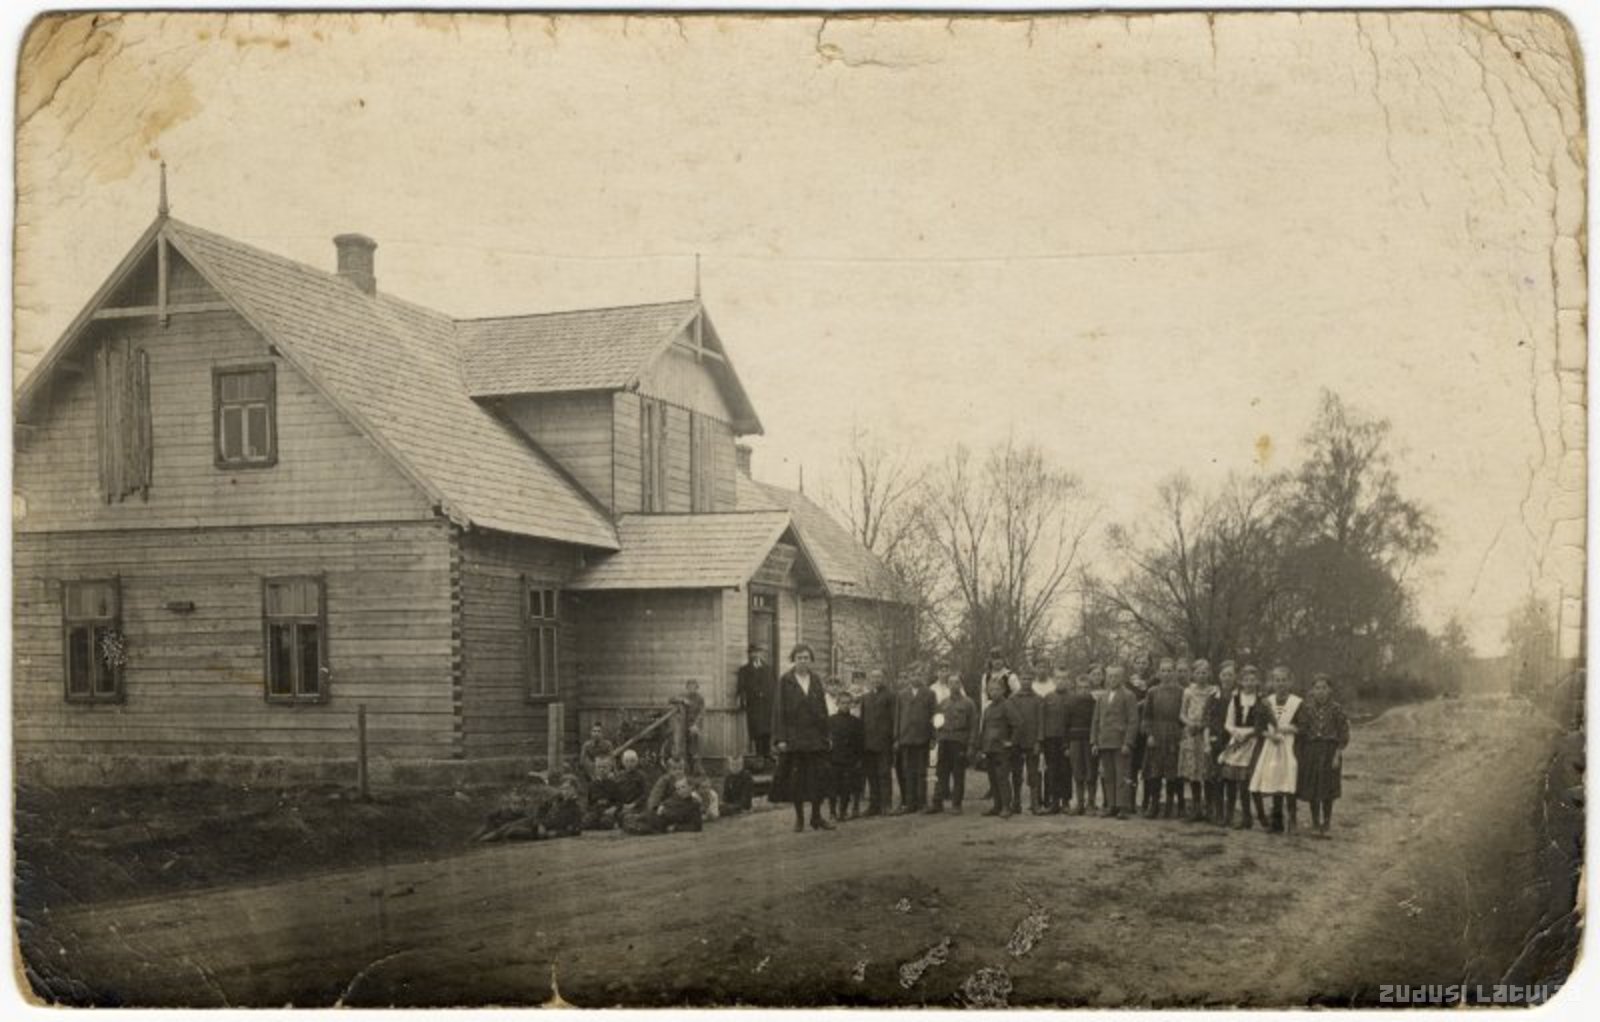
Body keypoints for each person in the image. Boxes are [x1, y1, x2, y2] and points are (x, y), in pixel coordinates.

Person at [772, 643, 834, 833]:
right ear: (794, 659)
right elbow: (779, 711)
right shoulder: (786, 681)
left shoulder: (815, 680)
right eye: (799, 658)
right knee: (797, 780)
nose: (803, 661)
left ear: (810, 660)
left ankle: (816, 817)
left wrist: (827, 735)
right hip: (795, 738)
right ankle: (799, 819)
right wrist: (780, 739)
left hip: (815, 738)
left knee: (818, 778)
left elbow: (822, 709)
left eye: (806, 658)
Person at [1296, 673, 1350, 839]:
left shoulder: (1337, 709)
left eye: (1324, 688)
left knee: (1328, 788)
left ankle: (1326, 823)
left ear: (1330, 690)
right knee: (1313, 787)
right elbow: (1302, 732)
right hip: (1311, 751)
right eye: (1317, 688)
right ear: (1312, 690)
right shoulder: (1306, 708)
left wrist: (1337, 754)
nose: (1320, 692)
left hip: (1329, 751)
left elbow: (1343, 734)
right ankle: (1315, 823)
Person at [1251, 665, 1303, 834]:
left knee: (1289, 778)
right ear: (1272, 682)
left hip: (1289, 744)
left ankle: (1292, 819)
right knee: (1275, 779)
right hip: (1271, 745)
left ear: (1290, 682)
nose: (1281, 684)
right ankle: (1277, 819)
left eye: (1284, 680)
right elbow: (1259, 727)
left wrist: (1286, 729)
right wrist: (1270, 735)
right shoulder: (1267, 702)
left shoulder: (1297, 703)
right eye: (1277, 680)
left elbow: (1302, 726)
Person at [1218, 665, 1267, 829]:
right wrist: (1235, 733)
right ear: (1241, 681)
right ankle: (1229, 815)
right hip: (1236, 741)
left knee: (1246, 782)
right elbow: (1228, 722)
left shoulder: (1261, 700)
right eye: (1246, 680)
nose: (1249, 683)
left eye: (1253, 680)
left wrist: (1249, 733)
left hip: (1252, 743)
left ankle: (1248, 817)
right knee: (1231, 781)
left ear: (1257, 681)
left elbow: (1262, 724)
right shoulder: (1235, 699)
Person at [1090, 663, 1140, 818]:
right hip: (1105, 742)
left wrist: (1128, 742)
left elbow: (1133, 721)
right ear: (1106, 677)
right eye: (1110, 676)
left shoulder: (1129, 695)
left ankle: (1122, 806)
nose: (1113, 679)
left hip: (1120, 742)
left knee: (1122, 775)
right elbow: (1096, 720)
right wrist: (1094, 741)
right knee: (1108, 775)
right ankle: (1111, 805)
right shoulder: (1102, 696)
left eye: (1116, 676)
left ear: (1122, 677)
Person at [1143, 659, 1187, 819]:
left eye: (1169, 670)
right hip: (1157, 734)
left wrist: (1183, 734)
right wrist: (1149, 734)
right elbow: (1146, 717)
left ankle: (1174, 805)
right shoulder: (1152, 692)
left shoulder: (1182, 691)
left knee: (1174, 772)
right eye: (1163, 670)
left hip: (1175, 734)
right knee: (1155, 771)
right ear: (1158, 673)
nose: (1166, 674)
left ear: (1174, 672)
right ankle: (1154, 804)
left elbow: (1185, 715)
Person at [1177, 658, 1219, 822]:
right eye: (1198, 672)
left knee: (1207, 770)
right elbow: (1182, 714)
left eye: (1205, 672)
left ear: (1209, 673)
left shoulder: (1214, 691)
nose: (1201, 675)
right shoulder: (1188, 691)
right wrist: (1190, 723)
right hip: (1192, 733)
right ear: (1193, 674)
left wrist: (1206, 724)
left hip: (1207, 733)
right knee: (1193, 771)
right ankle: (1196, 808)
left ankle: (1210, 808)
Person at [930, 670, 976, 813]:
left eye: (956, 682)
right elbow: (936, 722)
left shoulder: (968, 703)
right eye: (950, 683)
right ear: (948, 685)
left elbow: (973, 726)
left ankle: (956, 804)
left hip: (959, 741)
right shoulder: (943, 703)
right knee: (940, 773)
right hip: (944, 741)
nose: (953, 685)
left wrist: (971, 745)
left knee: (958, 774)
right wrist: (936, 737)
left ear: (960, 684)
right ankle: (937, 802)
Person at [892, 670, 936, 814]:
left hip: (922, 738)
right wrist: (897, 737)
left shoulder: (929, 694)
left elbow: (934, 716)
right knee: (908, 771)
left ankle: (922, 802)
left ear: (922, 676)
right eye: (912, 675)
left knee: (921, 771)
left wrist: (933, 737)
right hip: (906, 738)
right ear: (909, 677)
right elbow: (898, 716)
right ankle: (910, 803)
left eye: (918, 674)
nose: (915, 677)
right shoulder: (902, 694)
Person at [976, 674, 1017, 817]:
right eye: (991, 690)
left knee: (1002, 778)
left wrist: (1011, 741)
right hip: (990, 749)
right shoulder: (988, 709)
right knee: (992, 778)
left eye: (997, 689)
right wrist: (981, 748)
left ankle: (1006, 806)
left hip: (1001, 750)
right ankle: (997, 806)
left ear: (1003, 690)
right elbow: (984, 729)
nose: (994, 692)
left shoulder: (1007, 705)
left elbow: (1018, 724)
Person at [1204, 661, 1239, 825]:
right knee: (1217, 777)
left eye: (1230, 675)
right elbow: (1207, 721)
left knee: (1231, 778)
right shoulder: (1213, 698)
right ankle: (1218, 813)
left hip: (1234, 741)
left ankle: (1229, 814)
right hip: (1216, 740)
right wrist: (1207, 743)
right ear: (1219, 676)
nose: (1227, 678)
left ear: (1235, 677)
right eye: (1224, 675)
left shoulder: (1239, 698)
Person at [1006, 669, 1045, 814]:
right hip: (1016, 741)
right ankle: (1016, 803)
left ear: (1032, 681)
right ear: (1019, 680)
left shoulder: (1038, 699)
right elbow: (1009, 722)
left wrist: (1039, 741)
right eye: (1023, 679)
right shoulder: (1012, 699)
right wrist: (1010, 741)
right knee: (1016, 773)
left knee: (1033, 773)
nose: (1026, 682)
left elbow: (1041, 722)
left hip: (1032, 741)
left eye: (1029, 679)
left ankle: (1035, 803)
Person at [859, 669, 897, 817]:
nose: (876, 679)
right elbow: (863, 720)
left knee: (884, 774)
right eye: (873, 677)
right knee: (871, 774)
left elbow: (894, 719)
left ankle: (886, 805)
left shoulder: (890, 696)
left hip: (884, 742)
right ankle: (874, 805)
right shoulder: (866, 697)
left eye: (879, 677)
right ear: (870, 679)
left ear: (883, 678)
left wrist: (894, 739)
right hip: (868, 742)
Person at [1063, 671, 1100, 815]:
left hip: (1090, 741)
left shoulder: (1095, 704)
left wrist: (1096, 742)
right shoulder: (1070, 704)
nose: (1083, 690)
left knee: (1091, 773)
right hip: (1075, 742)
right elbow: (1065, 726)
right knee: (1077, 772)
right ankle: (1079, 803)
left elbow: (1098, 724)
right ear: (1076, 688)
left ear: (1090, 688)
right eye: (1080, 687)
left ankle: (1091, 803)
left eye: (1086, 687)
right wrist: (1066, 745)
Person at [1039, 667, 1072, 814]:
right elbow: (1042, 719)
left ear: (1068, 680)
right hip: (1050, 739)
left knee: (1066, 770)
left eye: (1064, 678)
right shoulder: (1048, 697)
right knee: (1051, 770)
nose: (1061, 681)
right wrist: (1041, 740)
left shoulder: (1073, 698)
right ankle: (1053, 802)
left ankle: (1066, 802)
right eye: (1058, 678)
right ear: (1054, 679)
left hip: (1067, 740)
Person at [828, 693, 866, 820]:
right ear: (837, 704)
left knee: (846, 786)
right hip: (834, 758)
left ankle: (843, 811)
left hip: (850, 759)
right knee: (833, 786)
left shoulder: (856, 722)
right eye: (843, 703)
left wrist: (858, 759)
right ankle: (832, 811)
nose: (845, 705)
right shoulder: (830, 721)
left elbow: (860, 742)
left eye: (848, 703)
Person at [736, 645, 777, 762]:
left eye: (757, 652)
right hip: (754, 705)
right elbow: (741, 687)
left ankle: (767, 752)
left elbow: (774, 685)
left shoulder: (768, 668)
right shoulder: (744, 670)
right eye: (753, 653)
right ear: (749, 655)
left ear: (761, 654)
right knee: (757, 729)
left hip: (768, 704)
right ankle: (759, 754)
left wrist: (774, 700)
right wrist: (742, 700)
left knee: (768, 728)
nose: (755, 655)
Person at [1128, 652, 1157, 814]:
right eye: (1138, 662)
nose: (1141, 666)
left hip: (1148, 728)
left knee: (1148, 765)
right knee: (1132, 766)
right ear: (1133, 664)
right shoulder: (1128, 684)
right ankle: (1131, 802)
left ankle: (1147, 802)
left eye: (1144, 662)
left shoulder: (1154, 683)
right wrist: (1141, 703)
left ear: (1149, 665)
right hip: (1133, 728)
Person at [669, 679, 706, 773]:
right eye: (689, 687)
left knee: (694, 744)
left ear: (697, 688)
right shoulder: (683, 695)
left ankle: (696, 768)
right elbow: (670, 699)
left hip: (694, 725)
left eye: (694, 686)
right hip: (683, 724)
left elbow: (701, 713)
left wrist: (695, 725)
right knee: (682, 745)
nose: (691, 688)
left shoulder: (700, 698)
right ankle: (685, 768)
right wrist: (682, 700)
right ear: (687, 687)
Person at [1084, 663, 1107, 810]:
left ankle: (1107, 801)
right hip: (1088, 734)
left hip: (1104, 735)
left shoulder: (1108, 693)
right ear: (1088, 676)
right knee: (1091, 769)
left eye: (1099, 674)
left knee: (1104, 769)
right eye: (1094, 674)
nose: (1097, 677)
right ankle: (1091, 801)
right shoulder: (1085, 693)